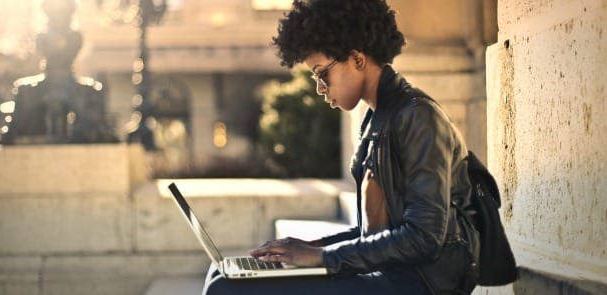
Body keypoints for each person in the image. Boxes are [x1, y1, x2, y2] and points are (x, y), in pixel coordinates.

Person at [203, 0, 479, 294]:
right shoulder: (376, 119)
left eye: (323, 74)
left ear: (357, 59)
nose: (320, 88)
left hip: (423, 281)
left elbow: (424, 237)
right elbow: (375, 234)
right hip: (392, 272)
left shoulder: (418, 116)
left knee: (227, 290)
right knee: (222, 276)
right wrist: (310, 247)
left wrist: (322, 257)